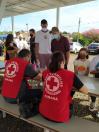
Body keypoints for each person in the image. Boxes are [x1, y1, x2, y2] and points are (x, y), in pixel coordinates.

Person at [39, 51, 88, 123]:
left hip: (43, 112)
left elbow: (44, 86)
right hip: (59, 116)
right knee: (71, 105)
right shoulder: (70, 75)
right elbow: (85, 91)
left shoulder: (45, 72)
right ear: (63, 61)